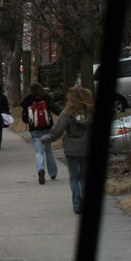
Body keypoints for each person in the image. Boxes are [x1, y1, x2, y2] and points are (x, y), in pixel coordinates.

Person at [41, 85, 94, 214]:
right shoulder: (91, 112)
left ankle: (77, 205)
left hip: (71, 149)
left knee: (74, 178)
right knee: (84, 177)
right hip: (86, 149)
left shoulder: (67, 113)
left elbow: (57, 132)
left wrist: (46, 138)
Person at [20, 81, 62, 184]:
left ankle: (40, 169)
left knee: (39, 152)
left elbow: (25, 118)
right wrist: (64, 114)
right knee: (49, 151)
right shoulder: (46, 98)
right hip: (47, 129)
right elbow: (55, 109)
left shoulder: (28, 100)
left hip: (34, 130)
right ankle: (52, 173)